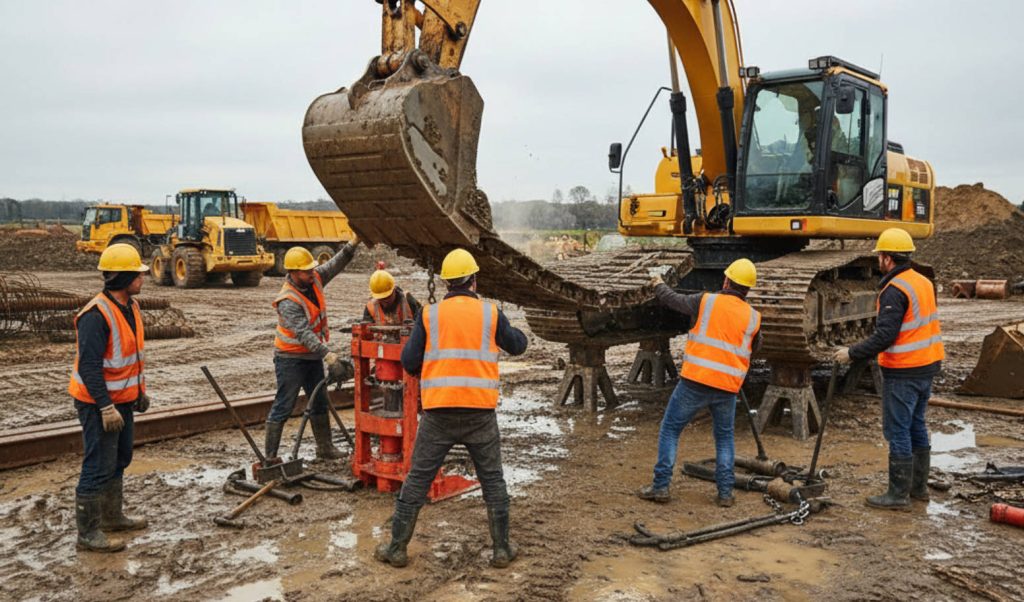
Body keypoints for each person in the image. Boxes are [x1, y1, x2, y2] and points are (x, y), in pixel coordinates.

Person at [375, 248, 528, 569]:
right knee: (493, 480)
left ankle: (396, 548)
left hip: (439, 414)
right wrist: (513, 331)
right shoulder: (490, 314)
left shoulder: (429, 315)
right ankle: (501, 549)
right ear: (474, 280)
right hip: (480, 415)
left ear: (446, 283)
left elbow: (409, 361)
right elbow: (517, 346)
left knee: (417, 480)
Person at [833, 227, 943, 510]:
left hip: (905, 370)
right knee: (916, 424)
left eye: (880, 255)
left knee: (898, 430)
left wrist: (851, 353)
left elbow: (885, 336)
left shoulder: (895, 290)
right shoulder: (922, 281)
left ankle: (898, 495)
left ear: (887, 258)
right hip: (927, 365)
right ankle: (918, 489)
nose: (878, 260)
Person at [637, 259, 762, 508]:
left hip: (695, 381)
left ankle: (660, 487)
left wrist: (658, 284)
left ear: (726, 281)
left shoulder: (706, 301)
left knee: (670, 429)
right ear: (748, 289)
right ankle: (725, 493)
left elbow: (674, 301)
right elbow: (755, 348)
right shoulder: (753, 317)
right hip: (727, 387)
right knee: (724, 437)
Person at [68, 243, 151, 552]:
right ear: (122, 278)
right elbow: (89, 367)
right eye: (137, 274)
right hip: (98, 404)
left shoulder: (131, 307)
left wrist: (139, 392)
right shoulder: (95, 315)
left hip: (123, 400)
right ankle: (88, 534)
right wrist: (105, 406)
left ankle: (112, 517)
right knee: (98, 464)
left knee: (120, 458)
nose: (142, 278)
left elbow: (130, 357)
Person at [264, 238, 359, 461]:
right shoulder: (288, 300)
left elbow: (335, 264)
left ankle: (325, 448)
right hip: (290, 358)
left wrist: (353, 244)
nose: (311, 273)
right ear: (293, 273)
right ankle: (270, 458)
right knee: (285, 404)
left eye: (311, 269)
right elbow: (303, 333)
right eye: (306, 271)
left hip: (311, 356)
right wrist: (328, 355)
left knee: (319, 401)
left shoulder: (314, 278)